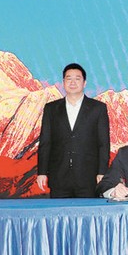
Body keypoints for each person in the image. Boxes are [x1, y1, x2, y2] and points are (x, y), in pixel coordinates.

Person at [36, 63, 110, 198]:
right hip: (59, 177)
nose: (73, 82)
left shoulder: (98, 108)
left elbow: (103, 143)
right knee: (59, 211)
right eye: (69, 78)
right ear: (63, 82)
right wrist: (42, 172)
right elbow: (45, 142)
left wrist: (102, 171)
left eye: (77, 78)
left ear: (84, 83)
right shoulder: (51, 109)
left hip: (89, 177)